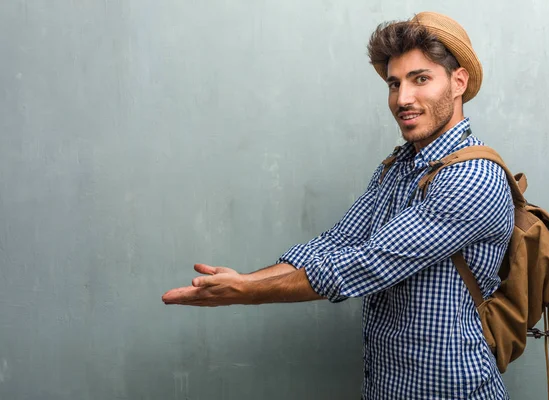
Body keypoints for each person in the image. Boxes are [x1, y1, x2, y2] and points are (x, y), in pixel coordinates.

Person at [163, 11, 513, 400]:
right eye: (394, 84)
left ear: (458, 82)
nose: (403, 98)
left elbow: (369, 262)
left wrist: (248, 292)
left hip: (451, 391)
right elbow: (336, 242)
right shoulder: (399, 166)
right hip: (386, 389)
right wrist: (246, 280)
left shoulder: (473, 177)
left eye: (421, 79)